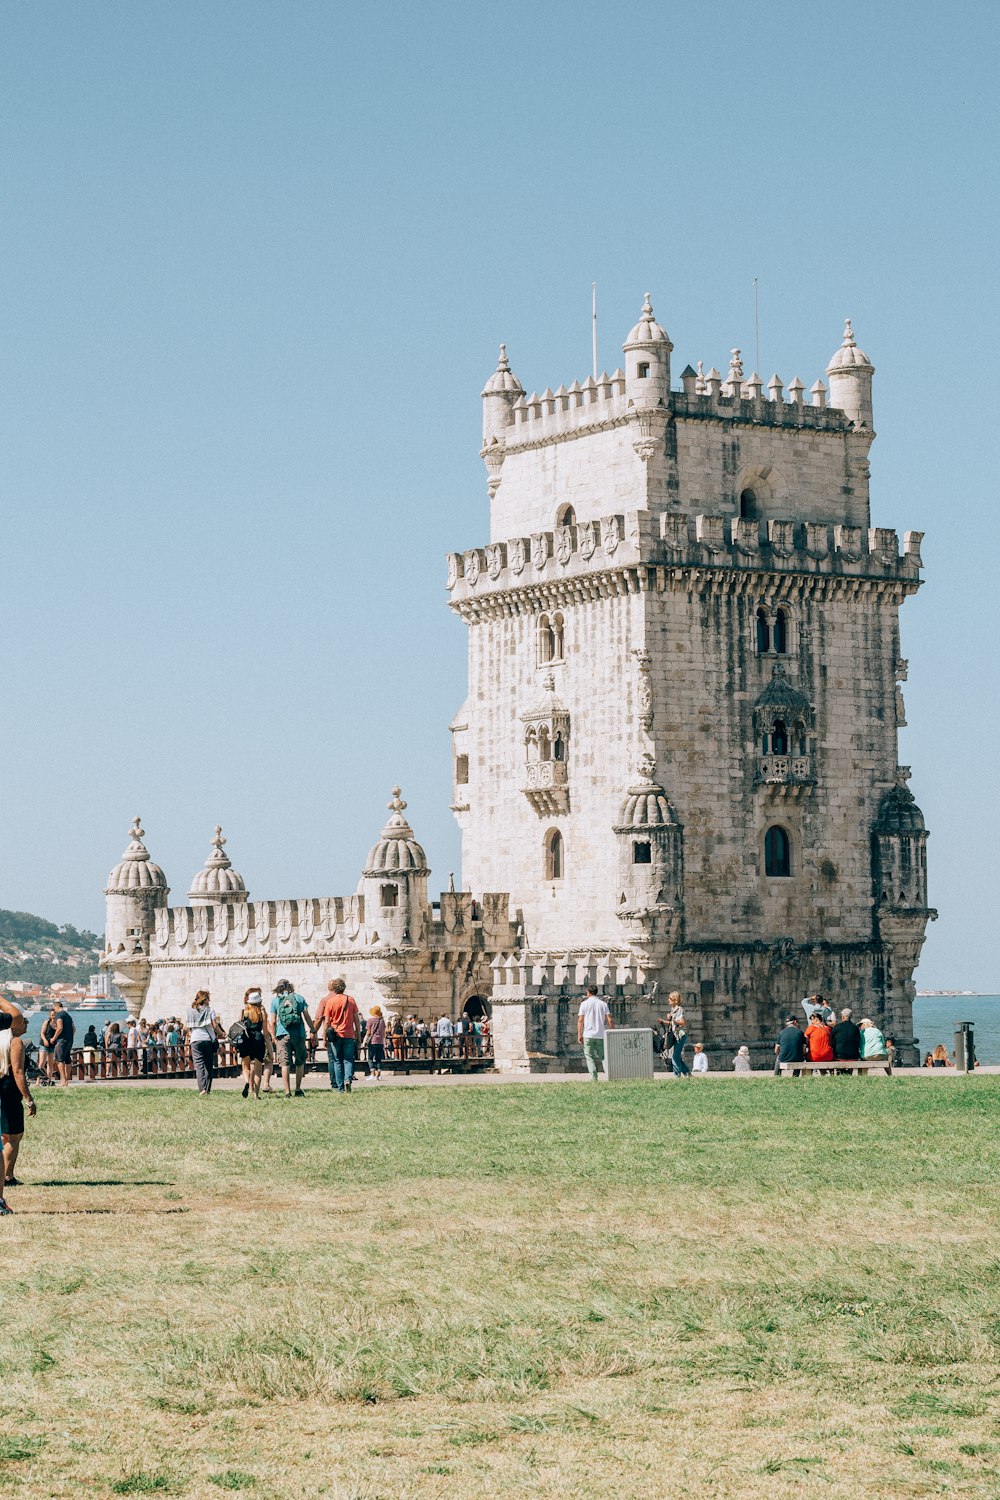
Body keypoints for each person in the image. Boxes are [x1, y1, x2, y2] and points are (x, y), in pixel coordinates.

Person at [1, 1008, 36, 1193]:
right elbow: (18, 1072)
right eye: (24, 1020)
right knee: (13, 1136)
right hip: (9, 1092)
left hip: (3, 1089)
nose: (26, 1023)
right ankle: (7, 1175)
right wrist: (28, 1098)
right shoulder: (16, 1043)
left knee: (5, 1135)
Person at [269, 980, 316, 1097]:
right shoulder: (299, 998)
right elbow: (306, 1016)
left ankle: (287, 1092)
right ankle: (298, 1089)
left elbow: (273, 1021)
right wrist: (313, 1030)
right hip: (298, 1034)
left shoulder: (275, 1001)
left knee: (285, 1063)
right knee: (300, 1062)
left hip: (282, 1034)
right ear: (291, 987)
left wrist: (274, 1037)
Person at [316, 978, 361, 1093]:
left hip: (335, 1035)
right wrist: (358, 1036)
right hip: (349, 1034)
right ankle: (348, 1080)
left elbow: (326, 1022)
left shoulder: (330, 1001)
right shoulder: (350, 1000)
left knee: (337, 1061)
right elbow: (356, 1020)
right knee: (348, 1060)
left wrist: (325, 1038)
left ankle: (340, 1087)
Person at [186, 990, 225, 1095]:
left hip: (195, 1040)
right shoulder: (210, 1010)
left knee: (199, 1065)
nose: (210, 1000)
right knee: (208, 1065)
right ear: (205, 999)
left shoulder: (191, 1011)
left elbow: (188, 1028)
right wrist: (222, 1034)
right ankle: (207, 1089)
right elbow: (214, 1026)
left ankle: (202, 1089)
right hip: (207, 1039)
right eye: (208, 998)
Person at [237, 988, 269, 1099]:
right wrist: (269, 1047)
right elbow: (265, 1032)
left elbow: (239, 1027)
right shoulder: (262, 1013)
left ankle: (246, 1081)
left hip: (246, 1039)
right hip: (258, 1039)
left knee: (245, 1066)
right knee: (258, 1069)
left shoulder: (244, 1012)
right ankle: (256, 1094)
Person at [577, 984, 613, 1081]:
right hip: (600, 1034)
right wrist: (612, 1031)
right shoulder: (603, 1004)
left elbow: (580, 1020)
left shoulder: (584, 1004)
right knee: (604, 1056)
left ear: (588, 993)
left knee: (589, 1057)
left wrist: (579, 1034)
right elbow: (609, 1019)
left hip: (588, 1034)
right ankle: (608, 1076)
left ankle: (594, 1077)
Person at [48, 1000, 75, 1087]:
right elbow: (74, 1028)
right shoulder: (68, 1015)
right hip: (69, 1040)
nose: (54, 1011)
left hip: (61, 1040)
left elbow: (59, 1027)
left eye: (54, 1008)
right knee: (67, 1060)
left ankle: (63, 1080)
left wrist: (53, 1038)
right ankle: (67, 1079)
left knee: (59, 1060)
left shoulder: (59, 1015)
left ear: (57, 1007)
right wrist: (70, 1037)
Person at [666, 992, 690, 1077]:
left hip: (680, 1035)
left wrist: (672, 1019)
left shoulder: (679, 1009)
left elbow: (683, 1023)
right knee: (676, 1056)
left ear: (675, 1000)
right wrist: (664, 1021)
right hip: (676, 1035)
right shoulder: (673, 1010)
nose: (668, 1000)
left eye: (670, 998)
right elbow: (672, 1023)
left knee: (675, 1057)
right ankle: (687, 1073)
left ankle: (677, 1076)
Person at [366, 1005, 387, 1081]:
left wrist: (365, 1040)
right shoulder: (382, 1021)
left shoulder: (370, 1020)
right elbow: (384, 1033)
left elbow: (368, 1032)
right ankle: (379, 1075)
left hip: (372, 1041)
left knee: (370, 1058)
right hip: (380, 1041)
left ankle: (372, 1074)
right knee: (378, 1058)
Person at [38, 1006, 57, 1082]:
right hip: (44, 1044)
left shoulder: (58, 1024)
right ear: (50, 1015)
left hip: (52, 1045)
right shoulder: (46, 1022)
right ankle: (38, 1080)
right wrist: (45, 1040)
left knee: (50, 1063)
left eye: (55, 1015)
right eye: (52, 1015)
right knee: (41, 1063)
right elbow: (42, 1033)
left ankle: (49, 1080)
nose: (53, 1016)